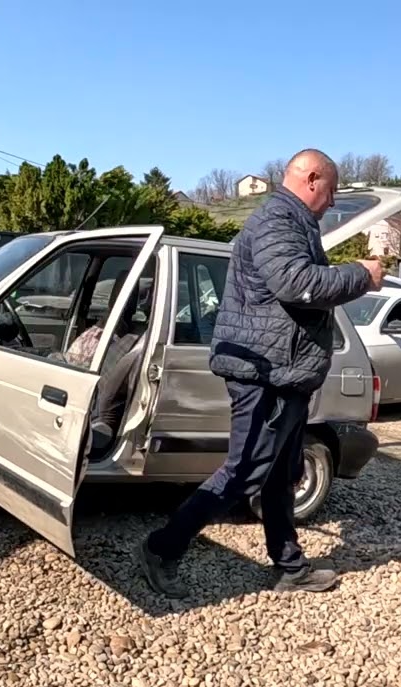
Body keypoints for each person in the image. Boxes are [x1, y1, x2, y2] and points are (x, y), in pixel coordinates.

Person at [135, 149, 384, 599]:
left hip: (285, 375)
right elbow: (299, 284)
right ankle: (161, 548)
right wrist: (360, 274)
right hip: (265, 374)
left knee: (280, 473)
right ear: (311, 179)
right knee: (245, 471)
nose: (330, 203)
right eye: (330, 192)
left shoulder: (293, 223)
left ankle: (290, 566)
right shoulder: (276, 221)